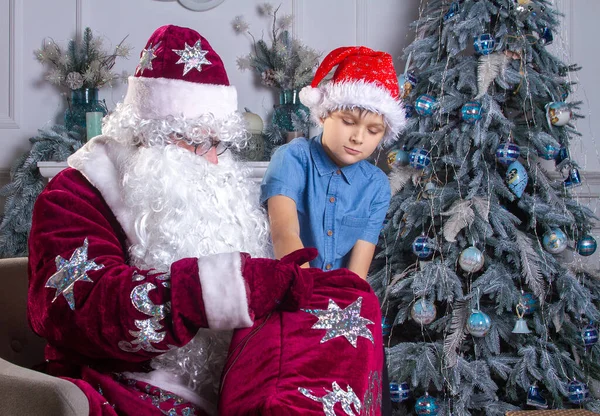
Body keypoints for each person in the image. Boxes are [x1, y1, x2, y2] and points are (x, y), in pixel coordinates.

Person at [25, 25, 319, 416]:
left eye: (219, 143)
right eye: (198, 142)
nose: (212, 160)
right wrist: (216, 288)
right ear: (150, 136)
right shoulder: (74, 194)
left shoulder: (210, 175)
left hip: (229, 381)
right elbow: (77, 305)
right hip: (124, 381)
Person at [260, 46, 406, 279]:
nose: (358, 138)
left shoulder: (376, 184)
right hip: (291, 285)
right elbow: (284, 233)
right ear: (324, 115)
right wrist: (309, 296)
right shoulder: (291, 159)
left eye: (372, 130)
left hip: (338, 300)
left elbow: (358, 269)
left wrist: (344, 305)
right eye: (348, 122)